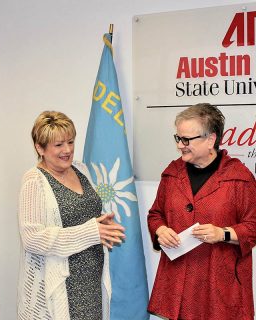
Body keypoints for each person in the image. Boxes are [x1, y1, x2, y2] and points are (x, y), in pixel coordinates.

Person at [147, 103, 256, 320]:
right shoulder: (171, 173)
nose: (180, 145)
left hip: (220, 285)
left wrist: (223, 234)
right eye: (178, 138)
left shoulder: (240, 178)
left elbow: (253, 226)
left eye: (187, 139)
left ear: (210, 140)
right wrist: (160, 230)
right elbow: (155, 214)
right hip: (179, 282)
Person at [18, 111, 125, 320]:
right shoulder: (34, 181)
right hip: (61, 282)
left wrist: (102, 224)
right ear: (39, 148)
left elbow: (82, 215)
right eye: (58, 145)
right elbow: (32, 239)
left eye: (70, 142)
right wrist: (91, 231)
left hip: (92, 276)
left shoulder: (80, 169)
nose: (67, 150)